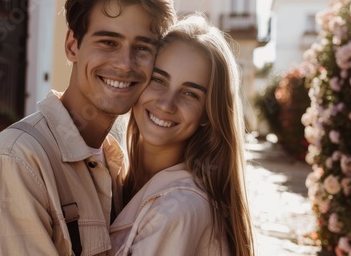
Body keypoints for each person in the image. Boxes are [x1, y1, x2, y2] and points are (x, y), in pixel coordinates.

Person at [0, 0, 176, 255]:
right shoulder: (14, 163)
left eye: (142, 48)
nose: (125, 64)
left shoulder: (114, 161)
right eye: (108, 42)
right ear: (72, 45)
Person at [109, 14, 255, 256]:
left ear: (209, 113)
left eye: (190, 94)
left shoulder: (178, 209)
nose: (167, 104)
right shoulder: (111, 174)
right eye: (159, 79)